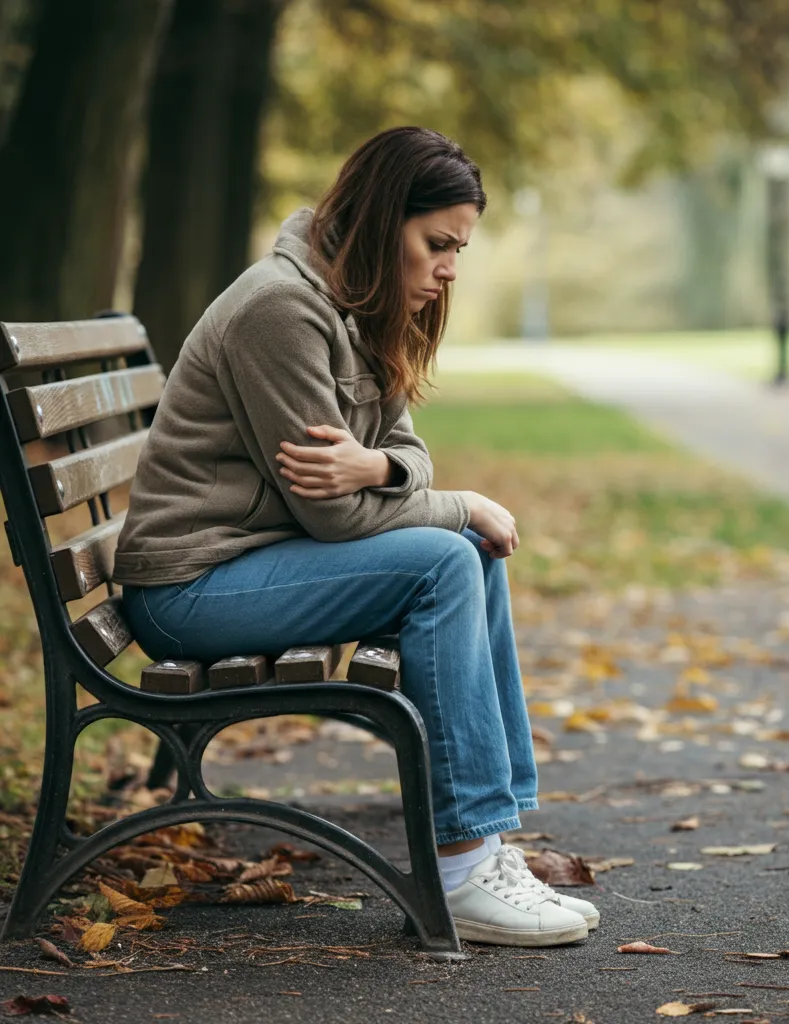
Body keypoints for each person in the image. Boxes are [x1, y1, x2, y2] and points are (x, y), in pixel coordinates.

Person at [113, 127, 598, 947]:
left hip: (255, 564)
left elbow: (403, 455)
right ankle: (461, 869)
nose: (449, 269)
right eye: (436, 244)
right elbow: (330, 515)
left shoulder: (355, 304)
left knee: (467, 549)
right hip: (188, 591)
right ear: (380, 222)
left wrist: (376, 469)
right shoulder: (281, 311)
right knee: (452, 552)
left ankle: (484, 842)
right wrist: (457, 500)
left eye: (459, 249)